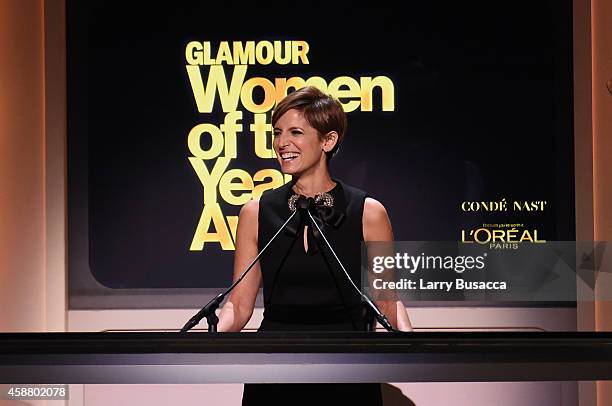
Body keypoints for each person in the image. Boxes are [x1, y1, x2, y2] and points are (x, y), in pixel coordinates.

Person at [216, 86, 412, 405]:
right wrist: (209, 339)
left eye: (296, 132)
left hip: (349, 367)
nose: (282, 143)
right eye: (277, 132)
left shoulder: (368, 212)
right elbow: (238, 306)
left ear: (328, 140)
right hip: (275, 368)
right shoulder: (255, 212)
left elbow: (387, 301)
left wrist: (413, 345)